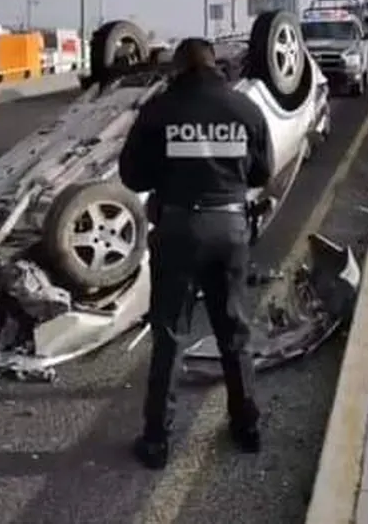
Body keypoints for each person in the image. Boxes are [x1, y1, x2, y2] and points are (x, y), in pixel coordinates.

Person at [117, 38, 272, 470]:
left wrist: (172, 173)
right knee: (234, 332)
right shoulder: (245, 110)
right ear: (214, 66)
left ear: (179, 68)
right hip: (230, 229)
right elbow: (262, 172)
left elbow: (132, 174)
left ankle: (157, 440)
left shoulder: (160, 110)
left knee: (170, 333)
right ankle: (246, 427)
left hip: (179, 227)